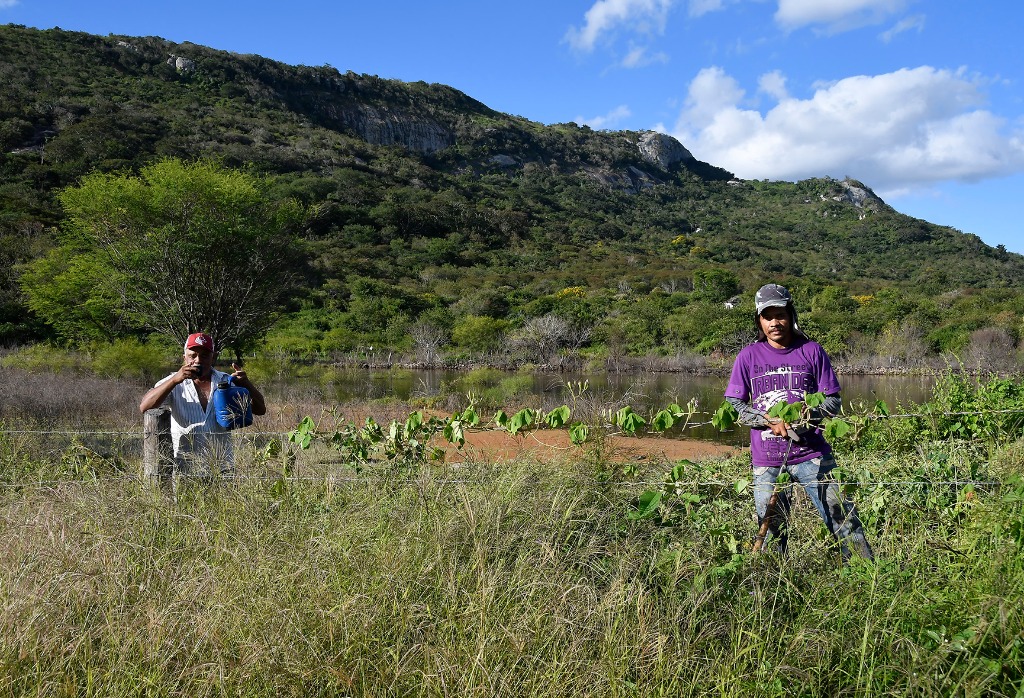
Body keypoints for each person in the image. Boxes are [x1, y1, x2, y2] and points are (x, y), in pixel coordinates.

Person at [724, 283, 873, 562]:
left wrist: (804, 418)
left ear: (791, 315)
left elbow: (832, 401)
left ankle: (865, 576)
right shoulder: (748, 356)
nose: (774, 322)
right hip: (767, 460)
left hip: (813, 454)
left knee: (844, 521)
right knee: (771, 533)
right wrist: (768, 420)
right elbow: (736, 405)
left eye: (780, 314)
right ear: (759, 321)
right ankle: (774, 582)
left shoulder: (812, 351)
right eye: (767, 316)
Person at [139, 332, 266, 474]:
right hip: (184, 468)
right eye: (192, 355)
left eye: (204, 356)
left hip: (222, 467)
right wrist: (174, 380)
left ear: (213, 357)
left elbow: (260, 410)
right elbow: (145, 406)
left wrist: (246, 384)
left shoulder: (226, 381)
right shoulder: (174, 382)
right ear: (184, 357)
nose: (198, 360)